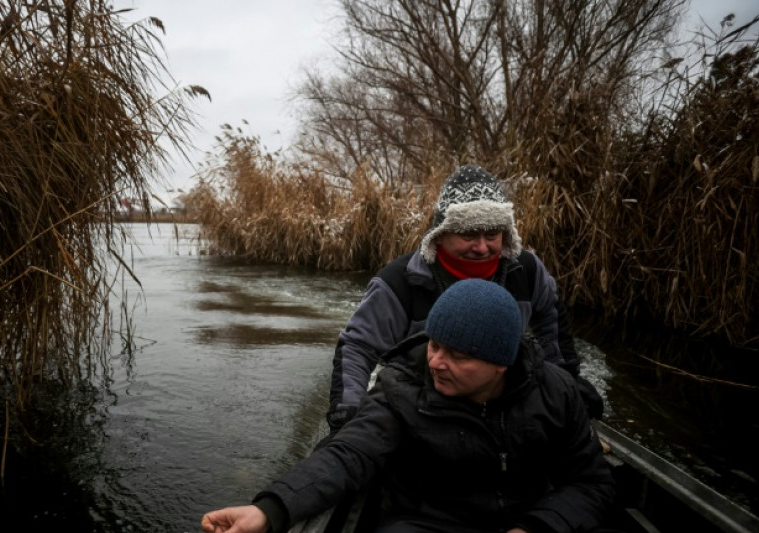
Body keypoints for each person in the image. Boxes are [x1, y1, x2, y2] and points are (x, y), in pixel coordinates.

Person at [201, 279, 616, 533]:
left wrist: (534, 528)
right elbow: (348, 454)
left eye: (458, 355)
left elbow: (591, 483)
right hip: (431, 522)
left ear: (501, 363)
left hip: (534, 514)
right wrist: (268, 509)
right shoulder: (402, 387)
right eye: (435, 344)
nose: (436, 362)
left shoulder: (557, 393)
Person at [327, 165, 603, 435]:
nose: (482, 247)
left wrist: (565, 384)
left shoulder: (528, 271)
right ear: (441, 233)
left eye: (492, 235)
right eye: (469, 234)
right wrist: (346, 412)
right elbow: (358, 347)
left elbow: (552, 325)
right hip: (420, 406)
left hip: (502, 399)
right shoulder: (400, 281)